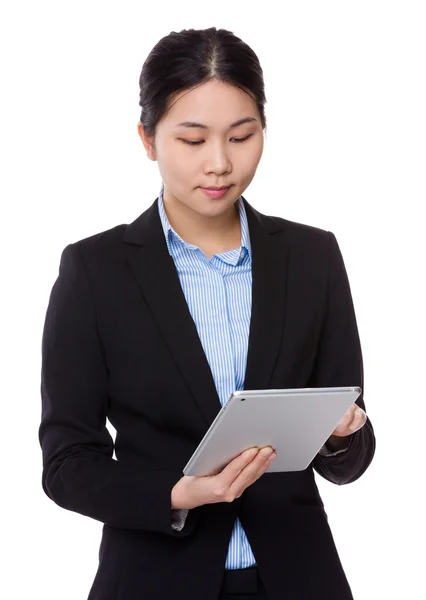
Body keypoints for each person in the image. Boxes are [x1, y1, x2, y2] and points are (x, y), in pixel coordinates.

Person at [38, 26, 376, 600]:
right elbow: (67, 464)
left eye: (241, 137)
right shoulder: (94, 271)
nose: (219, 164)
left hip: (297, 578)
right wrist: (174, 493)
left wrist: (341, 436)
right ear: (147, 139)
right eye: (192, 140)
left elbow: (350, 458)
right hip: (153, 579)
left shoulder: (313, 257)